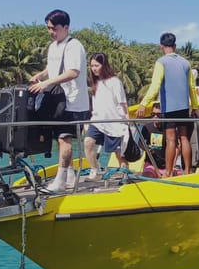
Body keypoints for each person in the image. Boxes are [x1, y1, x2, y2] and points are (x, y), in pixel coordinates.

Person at [28, 10, 89, 192]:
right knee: (59, 138)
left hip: (72, 100)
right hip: (56, 98)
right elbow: (52, 67)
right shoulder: (53, 47)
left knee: (65, 139)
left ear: (66, 27)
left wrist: (46, 83)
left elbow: (73, 72)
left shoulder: (74, 46)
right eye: (48, 28)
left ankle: (60, 180)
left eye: (54, 28)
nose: (51, 32)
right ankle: (68, 173)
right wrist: (40, 75)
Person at [136, 32, 198, 176]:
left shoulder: (161, 62)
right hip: (184, 107)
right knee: (184, 138)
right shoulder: (185, 63)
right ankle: (188, 171)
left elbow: (155, 85)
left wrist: (143, 104)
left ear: (161, 46)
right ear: (175, 46)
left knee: (171, 139)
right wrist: (194, 107)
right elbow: (191, 87)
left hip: (169, 107)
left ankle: (168, 172)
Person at [84, 53, 129, 180]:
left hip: (114, 121)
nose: (94, 68)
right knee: (88, 143)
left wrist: (127, 121)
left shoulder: (115, 82)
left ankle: (125, 173)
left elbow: (122, 102)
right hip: (97, 121)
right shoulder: (95, 84)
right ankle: (94, 169)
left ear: (104, 65)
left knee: (119, 153)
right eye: (92, 66)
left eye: (97, 65)